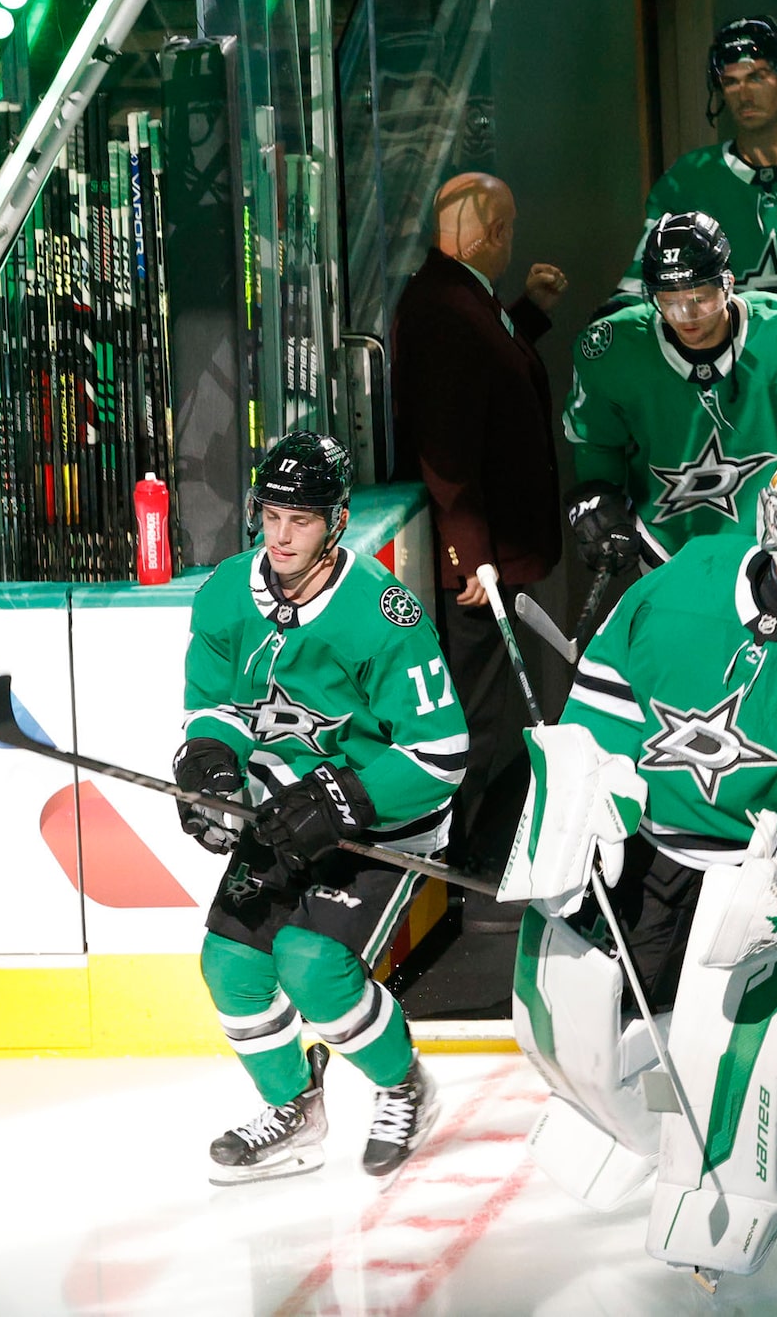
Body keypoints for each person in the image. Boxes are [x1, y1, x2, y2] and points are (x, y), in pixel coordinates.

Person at [500, 447, 777, 1281]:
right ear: (772, 525)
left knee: (728, 1056)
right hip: (650, 846)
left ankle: (723, 1215)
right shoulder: (689, 577)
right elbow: (608, 691)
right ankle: (616, 1133)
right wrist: (601, 791)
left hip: (756, 869)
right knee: (561, 1012)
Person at [175, 432, 467, 1184]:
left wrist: (342, 797)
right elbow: (217, 705)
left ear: (335, 524)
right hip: (284, 812)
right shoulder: (225, 592)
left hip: (380, 821)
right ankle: (295, 1113)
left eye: (299, 520)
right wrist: (208, 765)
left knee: (313, 967)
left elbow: (441, 753)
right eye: (270, 514)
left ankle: (405, 1087)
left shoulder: (384, 615)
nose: (279, 535)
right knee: (230, 966)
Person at [389, 171, 568, 878]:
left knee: (489, 708)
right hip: (480, 563)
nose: (509, 243)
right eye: (508, 231)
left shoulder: (459, 295)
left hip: (493, 553)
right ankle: (466, 855)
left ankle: (475, 848)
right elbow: (447, 446)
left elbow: (486, 366)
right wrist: (471, 552)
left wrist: (530, 311)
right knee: (478, 712)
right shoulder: (441, 304)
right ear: (494, 232)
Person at [564, 209, 777, 570]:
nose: (685, 315)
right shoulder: (613, 351)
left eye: (699, 298)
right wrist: (600, 498)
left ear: (727, 283)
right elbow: (596, 443)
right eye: (668, 301)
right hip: (665, 545)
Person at [618, 18, 777, 352]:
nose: (744, 94)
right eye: (731, 82)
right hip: (735, 375)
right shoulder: (690, 177)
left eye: (757, 77)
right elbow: (641, 282)